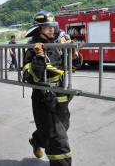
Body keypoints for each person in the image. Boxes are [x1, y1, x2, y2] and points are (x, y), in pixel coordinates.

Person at [23, 11, 83, 166]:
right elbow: (30, 77)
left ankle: (37, 139)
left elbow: (77, 65)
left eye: (52, 26)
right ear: (38, 29)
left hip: (61, 96)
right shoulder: (32, 47)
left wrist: (74, 53)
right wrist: (39, 58)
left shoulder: (59, 44)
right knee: (58, 141)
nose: (51, 29)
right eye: (46, 27)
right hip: (43, 99)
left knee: (63, 127)